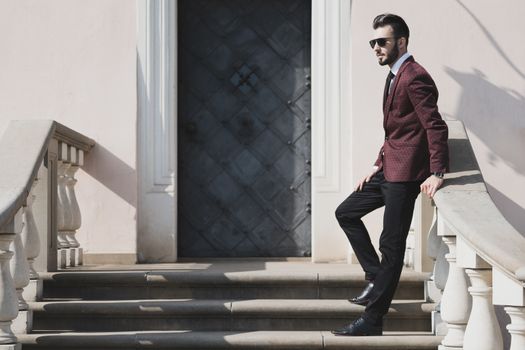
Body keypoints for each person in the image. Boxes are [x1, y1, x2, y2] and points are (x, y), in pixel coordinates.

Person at [331, 13, 449, 336]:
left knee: (392, 246)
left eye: (381, 42)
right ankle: (375, 277)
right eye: (373, 43)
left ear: (401, 42)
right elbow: (396, 131)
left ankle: (372, 320)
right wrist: (376, 163)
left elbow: (434, 125)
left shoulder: (414, 76)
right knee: (346, 212)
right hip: (388, 168)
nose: (376, 48)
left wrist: (437, 171)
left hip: (407, 175)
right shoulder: (394, 75)